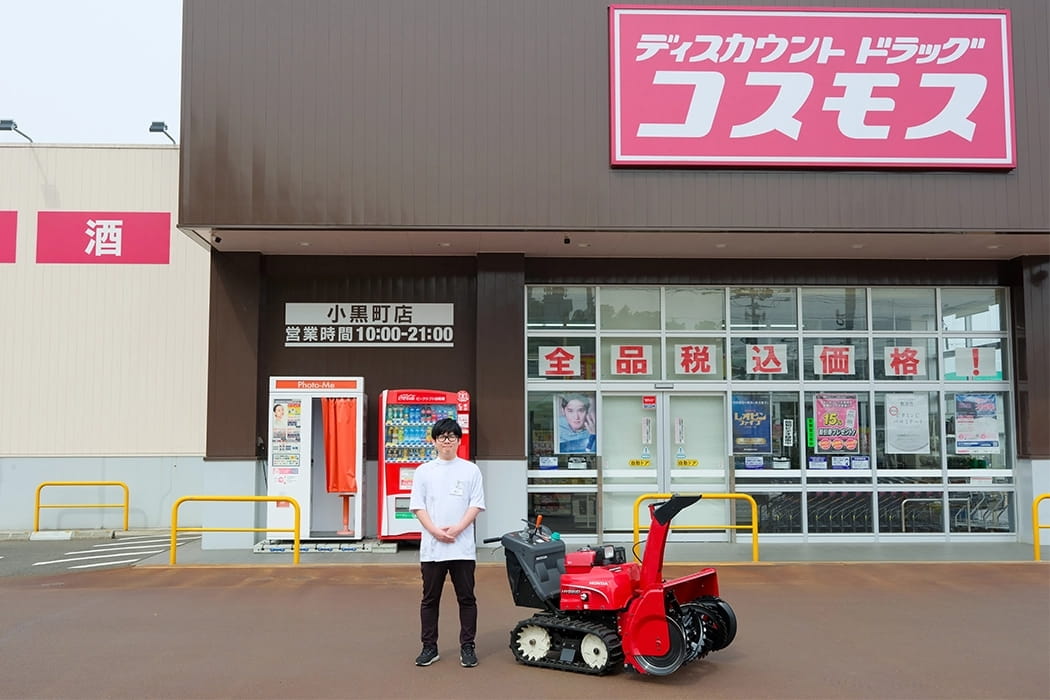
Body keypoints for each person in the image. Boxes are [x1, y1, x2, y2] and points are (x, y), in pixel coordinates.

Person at [409, 417, 485, 668]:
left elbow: (476, 504)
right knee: (430, 599)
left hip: (462, 547)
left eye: (452, 436)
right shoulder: (423, 471)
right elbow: (418, 507)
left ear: (459, 441)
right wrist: (435, 532)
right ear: (434, 441)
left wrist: (457, 529)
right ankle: (429, 647)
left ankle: (468, 646)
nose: (447, 441)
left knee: (467, 598)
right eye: (442, 436)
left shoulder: (471, 470)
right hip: (432, 548)